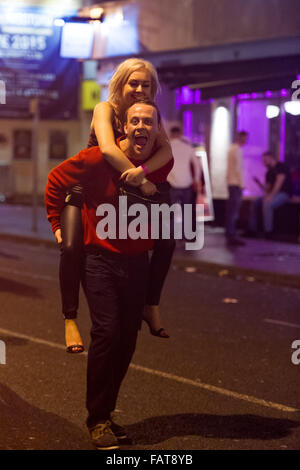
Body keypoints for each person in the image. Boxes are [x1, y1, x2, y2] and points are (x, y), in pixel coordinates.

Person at [45, 100, 173, 450]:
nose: (141, 127)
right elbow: (55, 182)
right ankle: (97, 420)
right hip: (98, 258)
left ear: (157, 130)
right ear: (125, 127)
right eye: (135, 121)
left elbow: (166, 186)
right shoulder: (98, 159)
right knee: (107, 332)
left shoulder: (157, 165)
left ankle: (107, 410)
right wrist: (58, 227)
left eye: (149, 121)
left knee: (127, 340)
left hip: (136, 261)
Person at [58, 58, 175, 352]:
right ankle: (69, 318)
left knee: (167, 240)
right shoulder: (105, 110)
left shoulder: (149, 114)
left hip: (124, 188)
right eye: (133, 83)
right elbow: (109, 149)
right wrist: (140, 179)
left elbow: (166, 150)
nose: (139, 89)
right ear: (120, 85)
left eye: (145, 85)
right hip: (85, 188)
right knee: (72, 246)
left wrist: (143, 173)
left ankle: (151, 305)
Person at [245, 151, 292, 238]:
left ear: (271, 157)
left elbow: (279, 183)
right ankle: (252, 230)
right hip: (273, 194)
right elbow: (266, 189)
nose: (264, 162)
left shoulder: (281, 167)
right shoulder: (269, 172)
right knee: (255, 202)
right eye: (263, 160)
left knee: (267, 204)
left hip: (284, 194)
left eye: (265, 160)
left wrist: (270, 196)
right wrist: (258, 183)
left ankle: (268, 232)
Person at [167, 126, 201, 240]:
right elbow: (197, 165)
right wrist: (196, 179)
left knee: (170, 212)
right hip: (186, 183)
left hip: (171, 183)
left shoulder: (167, 147)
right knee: (187, 211)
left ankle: (170, 236)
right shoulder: (188, 147)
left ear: (171, 134)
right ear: (180, 134)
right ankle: (188, 235)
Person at [225, 130, 248, 246]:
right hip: (236, 184)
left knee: (231, 210)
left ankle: (230, 233)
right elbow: (238, 169)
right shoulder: (237, 150)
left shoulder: (231, 149)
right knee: (234, 211)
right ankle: (231, 235)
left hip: (231, 183)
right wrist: (242, 184)